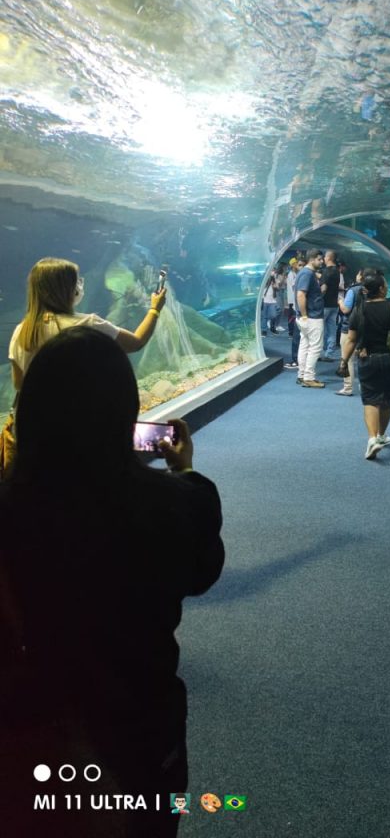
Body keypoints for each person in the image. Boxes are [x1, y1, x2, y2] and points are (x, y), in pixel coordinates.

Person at [0, 327, 224, 838]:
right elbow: (202, 573)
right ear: (127, 407)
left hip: (28, 729)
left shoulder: (9, 509)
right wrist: (184, 473)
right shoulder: (180, 502)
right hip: (139, 725)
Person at [9, 256, 166, 392]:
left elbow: (18, 384)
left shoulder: (22, 330)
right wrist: (154, 309)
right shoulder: (88, 324)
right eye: (77, 281)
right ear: (69, 290)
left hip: (34, 422)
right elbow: (136, 342)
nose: (80, 286)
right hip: (76, 419)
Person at [341, 270, 390, 460]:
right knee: (387, 399)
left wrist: (344, 362)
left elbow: (351, 339)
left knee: (370, 400)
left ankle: (372, 438)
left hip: (368, 359)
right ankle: (381, 435)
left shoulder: (360, 310)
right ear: (382, 289)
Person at [295, 249, 326, 388]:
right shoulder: (307, 273)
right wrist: (305, 315)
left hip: (306, 317)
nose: (322, 261)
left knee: (305, 345)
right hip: (312, 317)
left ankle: (302, 375)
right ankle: (308, 377)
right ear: (312, 259)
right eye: (319, 259)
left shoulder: (304, 273)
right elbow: (301, 295)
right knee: (315, 347)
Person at [335, 268, 365, 397]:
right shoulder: (371, 290)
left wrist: (341, 301)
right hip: (366, 329)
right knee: (364, 359)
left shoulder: (353, 290)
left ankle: (347, 387)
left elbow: (346, 309)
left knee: (348, 359)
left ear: (360, 276)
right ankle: (365, 387)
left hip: (349, 328)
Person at [320, 250, 341, 360]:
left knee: (319, 329)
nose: (323, 259)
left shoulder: (326, 271)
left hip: (324, 305)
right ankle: (329, 353)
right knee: (332, 328)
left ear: (328, 258)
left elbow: (323, 288)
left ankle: (318, 352)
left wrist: (317, 298)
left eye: (324, 257)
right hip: (334, 304)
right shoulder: (336, 271)